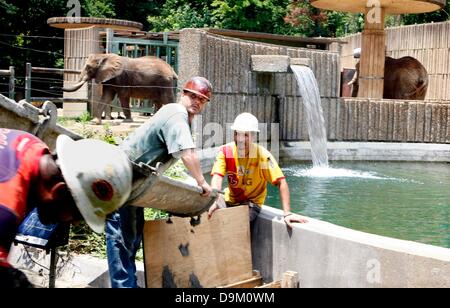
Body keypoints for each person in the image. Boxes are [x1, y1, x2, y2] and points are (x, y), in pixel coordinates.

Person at [105, 76, 214, 288]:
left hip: (133, 183)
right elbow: (187, 153)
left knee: (132, 236)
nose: (196, 101)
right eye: (192, 96)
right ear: (183, 94)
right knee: (121, 237)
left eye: (201, 99)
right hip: (120, 179)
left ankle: (128, 285)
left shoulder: (178, 116)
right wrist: (202, 182)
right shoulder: (177, 114)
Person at [0, 129, 133, 288]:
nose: (72, 223)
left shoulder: (31, 146)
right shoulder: (5, 210)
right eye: (76, 216)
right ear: (60, 191)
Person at [207, 113, 308, 227]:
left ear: (253, 136)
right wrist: (214, 200)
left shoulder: (262, 156)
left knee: (238, 224)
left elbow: (281, 182)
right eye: (237, 134)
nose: (240, 139)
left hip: (251, 203)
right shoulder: (225, 151)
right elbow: (217, 177)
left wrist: (287, 213)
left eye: (246, 135)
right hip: (228, 198)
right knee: (206, 209)